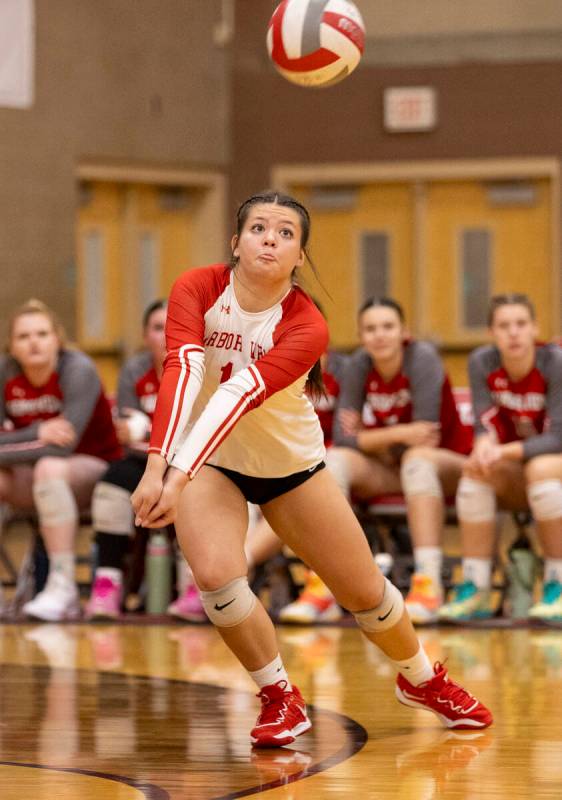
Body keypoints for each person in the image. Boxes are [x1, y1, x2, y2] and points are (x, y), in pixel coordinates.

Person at [131, 191, 491, 747]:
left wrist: (171, 478)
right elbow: (182, 367)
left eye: (284, 233)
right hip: (211, 463)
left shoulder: (306, 323)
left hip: (290, 468)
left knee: (367, 595)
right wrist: (161, 464)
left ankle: (421, 678)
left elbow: (236, 393)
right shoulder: (197, 287)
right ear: (235, 242)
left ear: (300, 255)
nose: (269, 239)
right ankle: (279, 695)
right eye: (257, 228)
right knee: (217, 580)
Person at [314, 298, 472, 624]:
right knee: (335, 460)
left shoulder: (422, 360)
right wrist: (399, 433)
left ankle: (428, 584)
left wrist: (374, 439)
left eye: (388, 327)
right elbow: (346, 439)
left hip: (450, 466)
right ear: (361, 335)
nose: (379, 335)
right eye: (370, 329)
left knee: (417, 459)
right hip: (394, 467)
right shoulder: (359, 365)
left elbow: (427, 436)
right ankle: (328, 585)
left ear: (405, 332)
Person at [439, 293, 562, 622]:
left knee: (541, 466)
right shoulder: (482, 362)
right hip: (518, 469)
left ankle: (558, 584)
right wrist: (483, 447)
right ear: (492, 333)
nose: (514, 333)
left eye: (521, 324)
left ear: (535, 329)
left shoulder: (555, 363)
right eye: (504, 326)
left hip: (553, 462)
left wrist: (500, 450)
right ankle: (477, 588)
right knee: (474, 471)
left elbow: (557, 438)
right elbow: (483, 423)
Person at [0, 299, 121, 620]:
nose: (34, 342)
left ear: (57, 339)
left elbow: (61, 449)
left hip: (97, 472)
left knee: (49, 466)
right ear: (11, 346)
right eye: (23, 337)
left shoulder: (77, 369)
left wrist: (16, 444)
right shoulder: (5, 373)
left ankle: (62, 586)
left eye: (42, 333)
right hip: (37, 475)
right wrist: (39, 430)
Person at [85, 300, 205, 620]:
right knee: (114, 478)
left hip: (195, 462)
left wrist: (147, 429)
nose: (166, 335)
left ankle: (194, 585)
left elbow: (205, 430)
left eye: (174, 326)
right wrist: (150, 436)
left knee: (189, 485)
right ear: (144, 336)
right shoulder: (134, 371)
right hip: (146, 460)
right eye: (157, 328)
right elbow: (125, 434)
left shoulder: (204, 367)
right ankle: (106, 584)